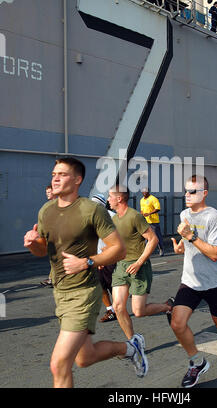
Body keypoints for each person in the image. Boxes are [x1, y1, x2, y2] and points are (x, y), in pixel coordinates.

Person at [24, 157, 148, 387]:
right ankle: (130, 348)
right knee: (84, 358)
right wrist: (33, 243)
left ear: (78, 180)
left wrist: (87, 263)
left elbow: (119, 249)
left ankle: (131, 347)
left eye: (62, 174)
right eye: (54, 175)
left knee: (59, 364)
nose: (56, 178)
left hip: (84, 292)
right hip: (61, 292)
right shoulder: (46, 211)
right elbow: (43, 250)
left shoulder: (91, 211)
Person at [170, 175, 217, 388]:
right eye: (186, 191)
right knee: (177, 322)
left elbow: (214, 254)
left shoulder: (215, 218)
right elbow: (188, 243)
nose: (187, 194)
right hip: (191, 281)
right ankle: (197, 362)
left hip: (215, 282)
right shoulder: (185, 213)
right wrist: (181, 247)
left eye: (193, 191)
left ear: (204, 193)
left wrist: (191, 237)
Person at [108, 185, 173, 346]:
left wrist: (139, 262)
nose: (108, 199)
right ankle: (133, 342)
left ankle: (167, 306)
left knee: (138, 311)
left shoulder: (135, 216)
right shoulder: (114, 219)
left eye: (110, 196)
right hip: (121, 267)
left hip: (139, 267)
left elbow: (153, 240)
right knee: (117, 306)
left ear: (119, 198)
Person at [91, 193, 117, 323]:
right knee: (99, 285)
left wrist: (105, 255)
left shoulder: (112, 217)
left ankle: (118, 308)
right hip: (96, 258)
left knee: (113, 285)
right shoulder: (90, 219)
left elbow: (119, 238)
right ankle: (110, 309)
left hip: (111, 257)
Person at [40, 185, 56, 287]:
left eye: (49, 192)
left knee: (55, 258)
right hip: (50, 235)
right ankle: (52, 278)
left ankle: (52, 279)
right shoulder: (48, 205)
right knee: (53, 259)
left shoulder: (58, 204)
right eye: (46, 193)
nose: (47, 194)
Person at [140, 187, 164, 256]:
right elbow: (142, 209)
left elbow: (157, 208)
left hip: (153, 221)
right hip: (145, 221)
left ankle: (161, 249)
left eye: (145, 191)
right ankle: (147, 251)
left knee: (157, 236)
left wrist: (149, 213)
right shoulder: (142, 200)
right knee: (146, 237)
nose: (144, 193)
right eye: (143, 191)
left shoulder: (153, 199)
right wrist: (142, 213)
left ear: (148, 191)